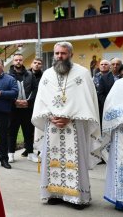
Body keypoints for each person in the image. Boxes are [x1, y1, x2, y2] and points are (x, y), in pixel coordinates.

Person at [32, 41, 101, 210]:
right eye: (56, 53)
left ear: (71, 54)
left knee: (75, 161)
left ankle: (77, 197)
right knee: (52, 159)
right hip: (52, 125)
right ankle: (54, 194)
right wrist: (50, 116)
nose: (59, 57)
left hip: (75, 126)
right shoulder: (47, 75)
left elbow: (88, 102)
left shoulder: (82, 74)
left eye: (63, 53)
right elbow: (41, 100)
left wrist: (70, 117)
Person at [100, 54, 123, 213]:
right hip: (121, 132)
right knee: (122, 166)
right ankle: (122, 199)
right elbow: (109, 108)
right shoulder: (119, 84)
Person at [8, 54, 37, 163]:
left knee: (28, 131)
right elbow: (6, 89)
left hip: (27, 108)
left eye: (20, 60)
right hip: (13, 108)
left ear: (22, 61)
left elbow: (35, 89)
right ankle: (10, 154)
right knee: (12, 131)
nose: (18, 62)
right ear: (13, 61)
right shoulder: (8, 75)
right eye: (16, 60)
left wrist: (28, 101)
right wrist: (14, 101)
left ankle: (30, 153)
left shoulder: (30, 74)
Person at [97, 57, 122, 130]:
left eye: (117, 64)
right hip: (108, 108)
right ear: (110, 65)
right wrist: (108, 104)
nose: (115, 66)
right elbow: (100, 94)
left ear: (121, 65)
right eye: (113, 64)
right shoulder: (104, 78)